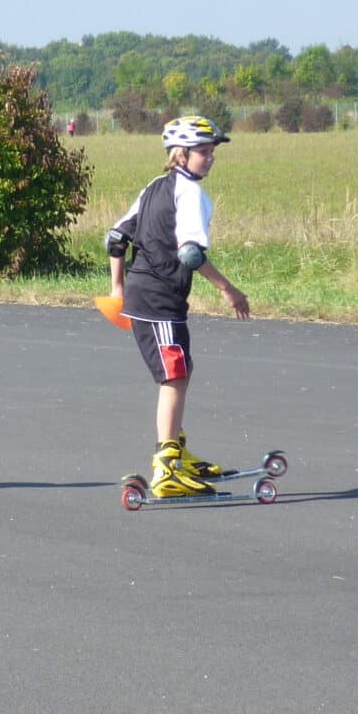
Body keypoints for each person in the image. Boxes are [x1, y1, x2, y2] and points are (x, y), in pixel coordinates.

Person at [106, 114, 252, 496]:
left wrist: (118, 288)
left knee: (179, 373)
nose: (211, 158)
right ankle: (166, 469)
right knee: (173, 378)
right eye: (203, 151)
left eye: (212, 151)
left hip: (146, 297)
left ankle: (177, 452)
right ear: (181, 154)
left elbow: (115, 238)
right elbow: (189, 253)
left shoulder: (154, 186)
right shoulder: (190, 194)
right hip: (159, 299)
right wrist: (228, 290)